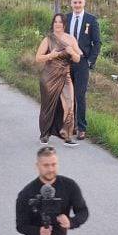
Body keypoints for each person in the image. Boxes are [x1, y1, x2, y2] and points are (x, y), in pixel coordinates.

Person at [35, 14, 81, 145]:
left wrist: (72, 52)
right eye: (55, 22)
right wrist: (51, 55)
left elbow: (78, 58)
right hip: (49, 76)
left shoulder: (71, 39)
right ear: (53, 24)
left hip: (65, 76)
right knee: (48, 106)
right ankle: (44, 134)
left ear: (64, 24)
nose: (58, 24)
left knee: (69, 104)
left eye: (60, 22)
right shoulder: (48, 39)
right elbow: (38, 58)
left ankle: (67, 135)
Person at [64, 0, 100, 141]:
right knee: (68, 95)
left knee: (80, 95)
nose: (77, 5)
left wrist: (90, 61)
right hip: (67, 62)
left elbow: (97, 43)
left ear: (84, 3)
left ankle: (81, 127)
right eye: (75, 3)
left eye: (80, 2)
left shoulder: (91, 20)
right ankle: (69, 125)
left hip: (82, 62)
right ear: (71, 4)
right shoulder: (66, 18)